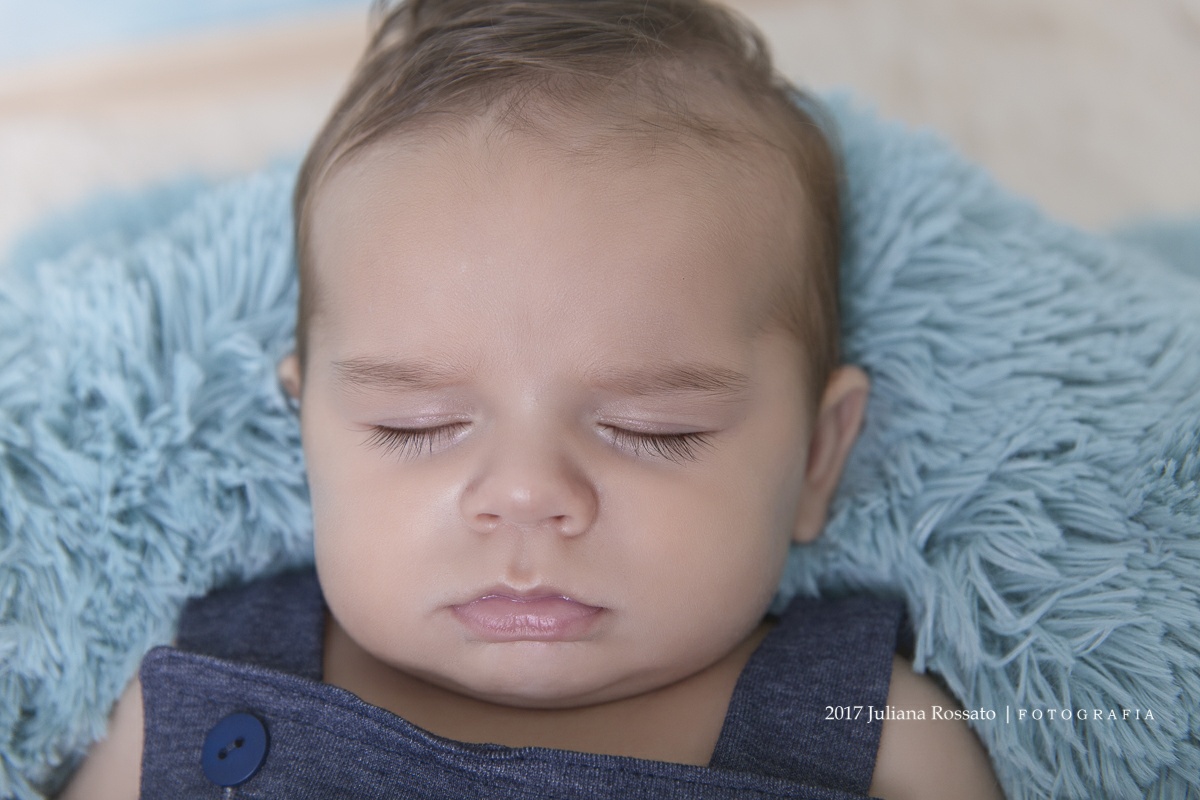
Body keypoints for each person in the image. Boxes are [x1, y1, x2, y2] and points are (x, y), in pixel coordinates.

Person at [62, 0, 1003, 796]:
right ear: (306, 431)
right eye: (414, 425)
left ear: (815, 457)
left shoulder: (881, 726)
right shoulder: (192, 686)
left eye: (654, 430)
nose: (525, 493)